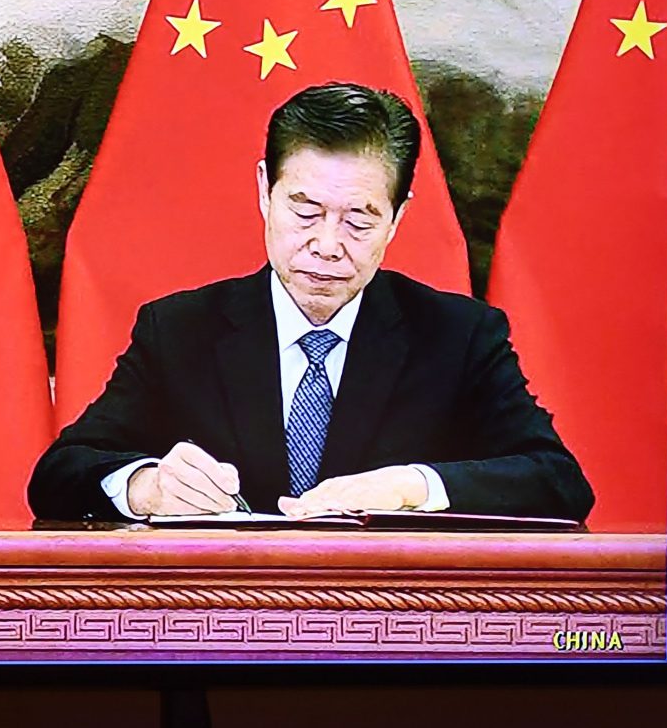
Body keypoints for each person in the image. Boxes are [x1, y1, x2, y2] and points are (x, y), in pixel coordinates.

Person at [29, 82, 593, 523]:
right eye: (305, 211)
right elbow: (59, 475)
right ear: (264, 191)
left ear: (397, 217)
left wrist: (409, 486)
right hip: (226, 615)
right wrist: (146, 485)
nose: (326, 245)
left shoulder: (458, 335)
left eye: (359, 220)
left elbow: (558, 481)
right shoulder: (180, 330)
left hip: (389, 618)